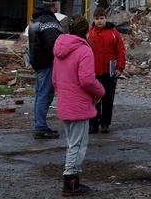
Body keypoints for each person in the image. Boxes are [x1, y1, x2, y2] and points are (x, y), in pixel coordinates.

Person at [52, 15, 105, 196]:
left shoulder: (59, 49)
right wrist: (100, 92)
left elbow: (55, 80)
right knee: (78, 145)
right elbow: (87, 80)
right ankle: (71, 182)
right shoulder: (84, 50)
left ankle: (72, 180)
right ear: (86, 31)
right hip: (80, 104)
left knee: (71, 143)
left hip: (65, 102)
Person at [28, 0, 65, 139]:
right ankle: (41, 127)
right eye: (58, 3)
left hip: (38, 62)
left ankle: (40, 124)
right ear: (54, 4)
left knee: (40, 94)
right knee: (45, 94)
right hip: (47, 63)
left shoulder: (36, 19)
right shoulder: (49, 21)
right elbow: (54, 44)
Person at [87, 8, 126, 134]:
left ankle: (105, 124)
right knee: (94, 100)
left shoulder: (114, 33)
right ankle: (93, 124)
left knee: (108, 99)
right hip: (94, 72)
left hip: (110, 72)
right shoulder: (89, 33)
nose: (99, 21)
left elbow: (121, 51)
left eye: (102, 18)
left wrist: (120, 68)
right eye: (97, 18)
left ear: (106, 18)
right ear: (94, 19)